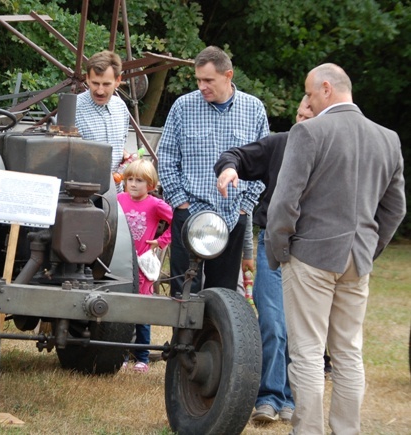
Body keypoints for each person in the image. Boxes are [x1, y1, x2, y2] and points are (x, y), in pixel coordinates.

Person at [265, 63, 406, 434]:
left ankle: (308, 431)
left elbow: (283, 204)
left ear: (326, 88)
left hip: (309, 256)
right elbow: (396, 209)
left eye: (310, 94)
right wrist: (369, 249)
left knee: (308, 353)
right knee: (348, 354)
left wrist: (279, 251)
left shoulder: (308, 132)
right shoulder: (388, 138)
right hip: (357, 259)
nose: (308, 102)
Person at [215, 96, 314, 424]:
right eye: (298, 113)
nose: (301, 121)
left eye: (309, 116)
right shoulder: (280, 144)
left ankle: (289, 395)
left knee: (298, 327)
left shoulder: (332, 153)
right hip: (274, 245)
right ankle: (269, 397)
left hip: (313, 251)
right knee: (272, 319)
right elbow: (236, 155)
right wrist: (229, 168)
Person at [157, 45, 269, 296]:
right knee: (183, 292)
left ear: (228, 75)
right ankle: (180, 336)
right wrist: (180, 203)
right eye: (198, 80)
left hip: (232, 216)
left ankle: (211, 337)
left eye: (208, 80)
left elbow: (264, 162)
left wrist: (245, 206)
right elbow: (166, 157)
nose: (202, 86)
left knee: (223, 294)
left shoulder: (253, 109)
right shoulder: (183, 107)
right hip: (191, 212)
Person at [118, 159, 172, 372]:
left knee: (141, 312)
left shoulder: (155, 205)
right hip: (120, 262)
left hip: (141, 264)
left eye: (139, 180)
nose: (133, 184)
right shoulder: (119, 200)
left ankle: (142, 356)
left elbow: (178, 220)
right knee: (121, 311)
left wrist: (161, 240)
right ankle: (120, 354)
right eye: (129, 179)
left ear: (150, 185)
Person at [75, 50, 130, 191]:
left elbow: (120, 146)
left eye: (106, 84)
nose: (100, 91)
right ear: (87, 78)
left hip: (115, 194)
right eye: (95, 83)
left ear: (118, 80)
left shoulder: (121, 107)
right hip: (82, 195)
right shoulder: (73, 109)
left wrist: (127, 157)